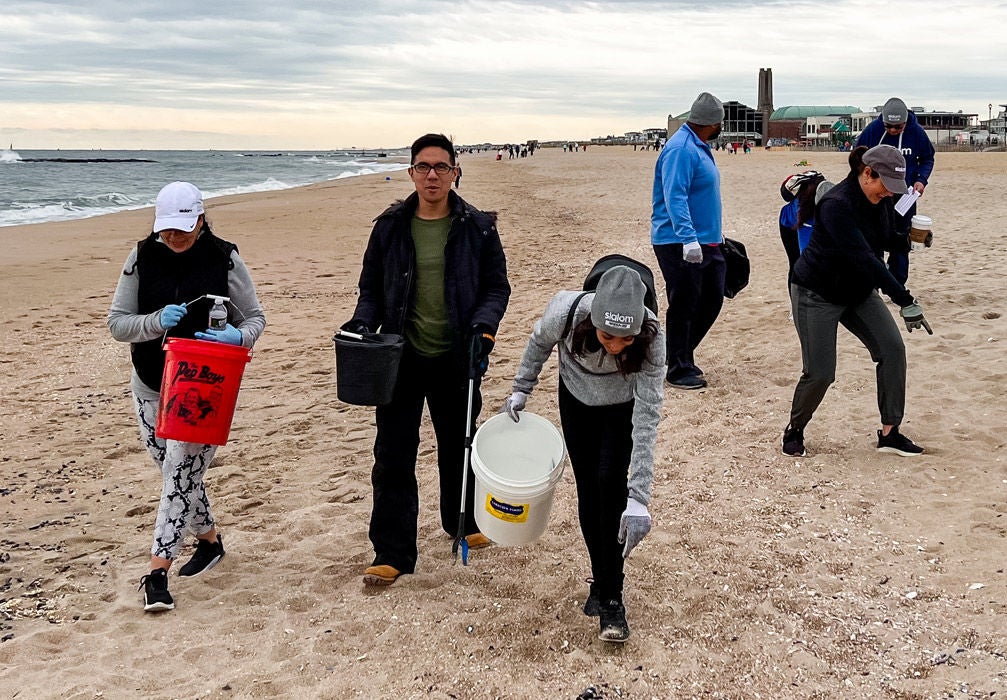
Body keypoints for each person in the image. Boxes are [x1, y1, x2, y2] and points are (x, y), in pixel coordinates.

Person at [341, 133, 511, 587]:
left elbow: (497, 287)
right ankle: (392, 552)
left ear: (456, 171)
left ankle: (464, 523)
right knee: (393, 455)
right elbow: (371, 289)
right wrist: (361, 324)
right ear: (411, 171)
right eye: (423, 166)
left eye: (441, 166)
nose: (432, 174)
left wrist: (484, 328)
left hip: (458, 356)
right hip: (399, 358)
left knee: (462, 446)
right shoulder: (390, 226)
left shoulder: (478, 227)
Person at [107, 181, 266, 612]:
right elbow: (118, 324)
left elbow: (255, 318)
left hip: (204, 389)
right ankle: (211, 542)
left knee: (179, 474)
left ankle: (157, 573)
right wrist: (157, 321)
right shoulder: (141, 257)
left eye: (182, 229)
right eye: (167, 231)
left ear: (200, 219)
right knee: (172, 473)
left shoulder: (225, 258)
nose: (174, 238)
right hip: (150, 384)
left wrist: (238, 338)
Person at [502, 266, 665, 643]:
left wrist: (639, 497)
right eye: (607, 335)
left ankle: (612, 597)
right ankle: (601, 578)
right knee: (589, 491)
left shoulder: (653, 337)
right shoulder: (565, 310)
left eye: (626, 339)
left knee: (612, 485)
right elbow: (538, 343)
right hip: (575, 398)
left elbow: (649, 413)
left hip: (621, 406)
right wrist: (520, 390)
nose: (614, 346)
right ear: (592, 320)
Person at [782, 145, 932, 459]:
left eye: (894, 189)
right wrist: (905, 300)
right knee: (821, 372)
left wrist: (909, 242)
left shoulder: (880, 200)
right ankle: (795, 430)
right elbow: (866, 258)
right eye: (885, 186)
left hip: (858, 292)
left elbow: (884, 238)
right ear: (867, 173)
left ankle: (890, 432)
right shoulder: (837, 204)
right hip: (816, 292)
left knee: (892, 350)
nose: (890, 194)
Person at [651, 91, 726, 389]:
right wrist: (688, 239)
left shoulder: (699, 145)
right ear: (712, 123)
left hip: (707, 240)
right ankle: (678, 367)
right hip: (678, 241)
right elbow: (675, 196)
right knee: (685, 302)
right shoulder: (681, 148)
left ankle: (677, 354)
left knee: (712, 297)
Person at [853, 97, 935, 284]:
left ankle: (897, 282)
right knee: (872, 237)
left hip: (904, 195)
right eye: (888, 126)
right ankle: (875, 278)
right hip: (876, 193)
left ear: (906, 122)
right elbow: (857, 155)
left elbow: (927, 158)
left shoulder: (917, 133)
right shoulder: (873, 130)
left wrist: (921, 180)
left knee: (901, 237)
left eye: (898, 127)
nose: (892, 130)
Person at [778, 170, 826, 277]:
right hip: (789, 224)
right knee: (797, 264)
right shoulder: (803, 210)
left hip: (793, 218)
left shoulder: (823, 203)